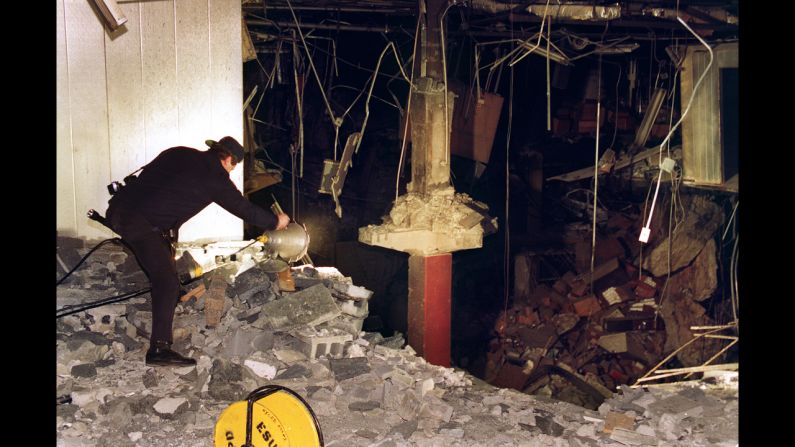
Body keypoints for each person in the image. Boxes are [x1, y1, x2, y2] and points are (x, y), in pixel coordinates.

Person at [105, 136, 289, 367]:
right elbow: (244, 209)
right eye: (233, 166)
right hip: (139, 223)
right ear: (229, 159)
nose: (231, 171)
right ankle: (159, 349)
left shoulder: (179, 152)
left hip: (119, 209)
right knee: (166, 282)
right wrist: (274, 222)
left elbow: (157, 187)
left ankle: (171, 297)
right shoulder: (215, 178)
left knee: (163, 257)